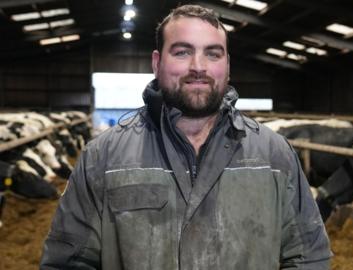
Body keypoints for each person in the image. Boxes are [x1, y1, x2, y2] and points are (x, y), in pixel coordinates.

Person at [40, 4, 332, 269]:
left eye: (213, 53)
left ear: (227, 64)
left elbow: (308, 256)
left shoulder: (274, 155)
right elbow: (68, 262)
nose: (198, 67)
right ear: (157, 62)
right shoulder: (103, 156)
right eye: (182, 51)